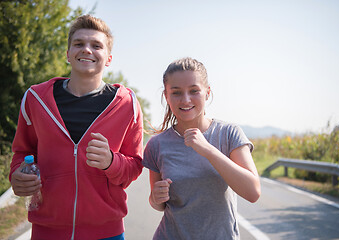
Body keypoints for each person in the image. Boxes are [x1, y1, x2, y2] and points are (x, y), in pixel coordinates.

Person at [9, 15, 143, 240]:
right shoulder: (35, 98)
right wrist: (16, 176)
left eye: (96, 45)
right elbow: (22, 153)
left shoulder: (127, 104)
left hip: (106, 233)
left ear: (108, 58)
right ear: (68, 54)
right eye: (79, 44)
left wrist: (111, 161)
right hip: (47, 232)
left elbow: (134, 167)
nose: (87, 50)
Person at [142, 57, 261, 239]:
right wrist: (155, 198)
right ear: (166, 95)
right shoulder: (156, 145)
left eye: (194, 91)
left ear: (207, 92)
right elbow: (159, 204)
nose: (186, 99)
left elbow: (253, 192)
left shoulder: (229, 133)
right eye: (176, 92)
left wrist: (208, 150)